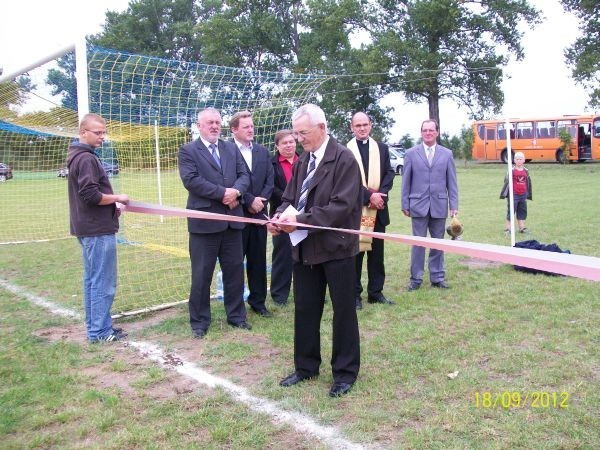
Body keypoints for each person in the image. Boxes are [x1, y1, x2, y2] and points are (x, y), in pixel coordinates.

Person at [268, 104, 362, 398]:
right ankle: (306, 367)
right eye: (296, 133)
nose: (298, 139)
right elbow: (289, 198)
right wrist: (279, 217)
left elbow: (340, 209)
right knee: (306, 309)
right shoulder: (302, 161)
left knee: (343, 312)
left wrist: (298, 220)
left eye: (303, 133)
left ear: (322, 128)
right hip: (304, 248)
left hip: (337, 249)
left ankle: (345, 373)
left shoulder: (344, 160)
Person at [178, 107, 251, 338]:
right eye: (209, 122)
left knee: (235, 272)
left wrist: (236, 192)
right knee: (202, 274)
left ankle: (237, 316)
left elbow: (244, 175)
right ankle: (199, 322)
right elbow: (191, 181)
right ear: (199, 125)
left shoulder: (230, 148)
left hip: (232, 222)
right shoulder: (188, 150)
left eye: (218, 122)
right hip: (204, 224)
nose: (214, 126)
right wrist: (223, 194)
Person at [67, 113, 129, 343]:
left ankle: (97, 328)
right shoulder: (86, 159)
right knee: (103, 280)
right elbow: (91, 195)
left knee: (93, 279)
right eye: (98, 132)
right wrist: (117, 197)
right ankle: (100, 332)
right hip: (96, 230)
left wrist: (113, 205)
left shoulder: (81, 156)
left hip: (89, 226)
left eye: (104, 132)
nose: (102, 137)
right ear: (83, 132)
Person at [401, 119, 459, 291]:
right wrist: (405, 203)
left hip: (439, 205)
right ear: (421, 133)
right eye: (425, 130)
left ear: (437, 132)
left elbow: (452, 182)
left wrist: (453, 205)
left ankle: (437, 277)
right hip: (417, 205)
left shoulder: (447, 154)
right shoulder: (411, 153)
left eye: (431, 130)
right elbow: (406, 181)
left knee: (438, 243)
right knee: (418, 244)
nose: (428, 133)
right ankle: (416, 279)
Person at [346, 112, 395, 310]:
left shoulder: (381, 148)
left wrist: (380, 195)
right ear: (351, 127)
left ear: (371, 125)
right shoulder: (345, 151)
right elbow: (346, 181)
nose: (362, 128)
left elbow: (389, 173)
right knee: (355, 255)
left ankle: (376, 292)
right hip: (356, 210)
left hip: (379, 210)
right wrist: (368, 196)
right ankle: (354, 295)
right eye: (358, 125)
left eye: (365, 124)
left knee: (377, 256)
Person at [230, 111, 274, 317]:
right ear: (234, 129)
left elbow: (269, 181)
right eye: (246, 126)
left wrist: (260, 202)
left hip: (259, 216)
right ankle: (235, 305)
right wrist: (248, 200)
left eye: (252, 126)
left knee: (258, 261)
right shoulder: (227, 151)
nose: (251, 129)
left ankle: (258, 302)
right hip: (237, 214)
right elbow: (228, 181)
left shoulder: (263, 152)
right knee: (236, 262)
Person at [268, 129, 298, 306]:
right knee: (283, 255)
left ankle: (309, 290)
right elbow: (271, 188)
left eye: (291, 142)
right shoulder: (271, 164)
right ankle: (279, 295)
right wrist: (290, 199)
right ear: (277, 146)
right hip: (281, 214)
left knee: (306, 254)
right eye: (284, 143)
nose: (289, 145)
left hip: (302, 215)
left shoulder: (305, 160)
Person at [500, 151, 532, 234]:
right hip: (514, 195)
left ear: (524, 160)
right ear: (514, 160)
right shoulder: (512, 170)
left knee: (522, 211)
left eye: (520, 159)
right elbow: (506, 181)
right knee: (511, 211)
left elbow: (527, 182)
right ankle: (507, 229)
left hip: (523, 195)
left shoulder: (526, 170)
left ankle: (522, 228)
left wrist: (527, 193)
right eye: (517, 159)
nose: (519, 161)